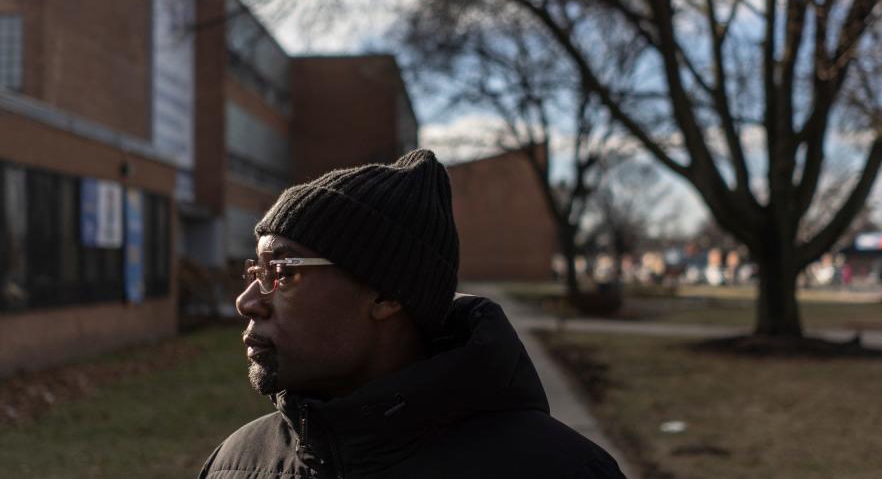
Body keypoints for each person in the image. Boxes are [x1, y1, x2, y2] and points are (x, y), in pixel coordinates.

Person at [198, 149, 625, 479]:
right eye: (255, 272)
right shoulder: (235, 464)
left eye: (282, 272)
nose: (247, 300)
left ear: (386, 294)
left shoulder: (559, 470)